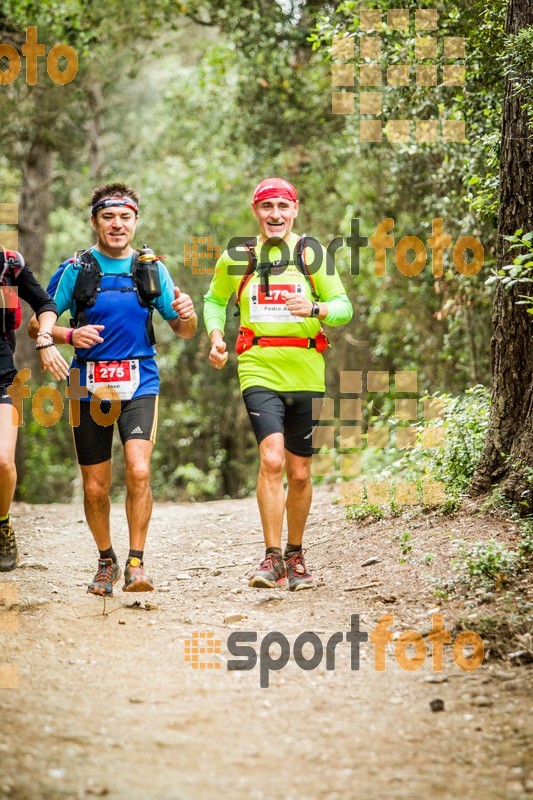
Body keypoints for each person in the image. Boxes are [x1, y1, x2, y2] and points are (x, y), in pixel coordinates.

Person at [29, 183, 197, 595]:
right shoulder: (77, 268)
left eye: (125, 217)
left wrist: (188, 315)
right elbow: (39, 322)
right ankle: (106, 560)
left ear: (136, 221)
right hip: (87, 385)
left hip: (140, 380)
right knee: (95, 485)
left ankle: (137, 563)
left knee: (139, 469)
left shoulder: (151, 268)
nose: (117, 224)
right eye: (108, 217)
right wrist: (68, 335)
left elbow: (184, 330)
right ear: (95, 221)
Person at [204, 178, 353, 590]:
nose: (275, 215)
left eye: (282, 207)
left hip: (306, 369)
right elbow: (215, 300)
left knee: (300, 472)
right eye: (266, 207)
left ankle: (296, 554)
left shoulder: (312, 253)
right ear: (255, 211)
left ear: (295, 210)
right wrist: (216, 337)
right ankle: (271, 558)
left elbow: (344, 307)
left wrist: (317, 306)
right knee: (272, 459)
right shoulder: (239, 255)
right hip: (258, 367)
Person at [0, 247, 69, 571]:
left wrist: (45, 336)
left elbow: (45, 302)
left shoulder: (8, 264)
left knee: (3, 461)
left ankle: (2, 525)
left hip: (3, 378)